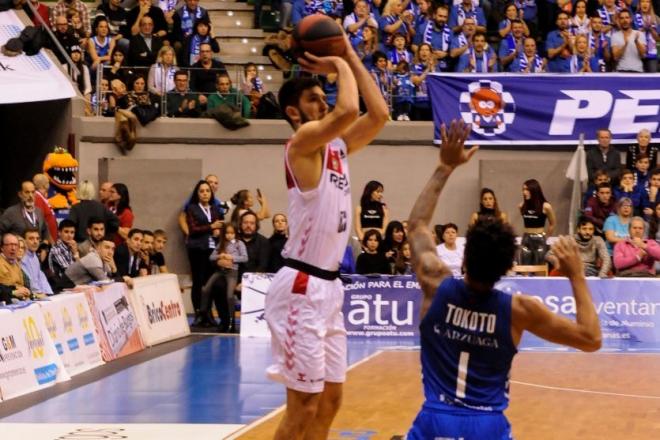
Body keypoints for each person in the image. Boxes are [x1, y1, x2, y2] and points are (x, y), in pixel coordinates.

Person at [405, 120, 601, 440]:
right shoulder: (519, 310)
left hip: (434, 421)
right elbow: (590, 338)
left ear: (465, 258)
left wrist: (445, 167)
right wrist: (577, 275)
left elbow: (416, 227)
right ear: (507, 267)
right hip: (488, 425)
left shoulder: (435, 283)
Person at [264, 32, 389, 439]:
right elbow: (350, 107)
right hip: (301, 283)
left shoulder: (335, 148)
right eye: (314, 99)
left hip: (329, 288)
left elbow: (379, 114)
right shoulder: (300, 145)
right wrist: (337, 64)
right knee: (303, 406)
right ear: (294, 113)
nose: (323, 102)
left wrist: (350, 54)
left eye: (324, 95)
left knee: (331, 400)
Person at [185, 180, 223, 326]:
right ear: (197, 193)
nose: (205, 193)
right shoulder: (192, 208)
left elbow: (219, 226)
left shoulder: (215, 209)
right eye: (202, 191)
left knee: (210, 283)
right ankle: (199, 314)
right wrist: (211, 226)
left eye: (207, 190)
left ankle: (209, 314)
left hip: (212, 249)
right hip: (197, 249)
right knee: (198, 282)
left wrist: (217, 230)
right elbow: (193, 229)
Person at [203, 223, 247, 332]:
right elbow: (211, 257)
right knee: (205, 288)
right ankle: (203, 311)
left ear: (235, 233)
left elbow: (245, 258)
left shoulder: (239, 243)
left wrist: (232, 257)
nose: (229, 235)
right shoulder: (221, 243)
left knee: (229, 296)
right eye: (227, 233)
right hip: (220, 271)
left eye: (232, 233)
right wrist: (219, 256)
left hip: (232, 272)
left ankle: (231, 319)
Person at [546, 217, 611, 277]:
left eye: (590, 229)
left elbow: (606, 258)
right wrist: (558, 263)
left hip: (591, 272)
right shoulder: (569, 239)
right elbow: (549, 254)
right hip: (571, 271)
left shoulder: (598, 240)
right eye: (584, 229)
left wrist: (602, 273)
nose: (587, 232)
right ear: (578, 229)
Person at [518, 179, 556, 265]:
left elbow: (552, 223)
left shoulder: (546, 206)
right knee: (525, 268)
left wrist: (545, 238)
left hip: (540, 239)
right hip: (526, 239)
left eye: (527, 189)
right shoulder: (521, 206)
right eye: (523, 189)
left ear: (534, 190)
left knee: (540, 268)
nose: (524, 192)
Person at [0, 233, 32, 303]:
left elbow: (20, 285)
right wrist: (13, 292)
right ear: (2, 248)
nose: (13, 248)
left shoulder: (16, 264)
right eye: (10, 245)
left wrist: (26, 291)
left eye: (15, 245)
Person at [22, 229, 54, 296]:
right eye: (31, 239)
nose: (35, 242)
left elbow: (41, 278)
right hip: (30, 295)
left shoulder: (35, 257)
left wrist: (48, 293)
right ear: (24, 241)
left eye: (37, 239)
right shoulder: (21, 257)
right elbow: (29, 281)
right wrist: (40, 294)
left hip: (40, 294)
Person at [48, 219, 80, 285]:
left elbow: (80, 269)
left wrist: (75, 253)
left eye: (72, 232)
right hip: (61, 285)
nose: (69, 235)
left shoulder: (72, 247)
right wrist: (76, 254)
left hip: (72, 282)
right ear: (59, 233)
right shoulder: (56, 250)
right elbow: (70, 272)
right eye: (66, 232)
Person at [32, 173, 58, 241]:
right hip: (47, 239)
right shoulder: (37, 198)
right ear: (45, 184)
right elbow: (40, 220)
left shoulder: (41, 196)